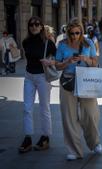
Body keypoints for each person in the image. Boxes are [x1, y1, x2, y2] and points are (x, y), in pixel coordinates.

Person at [55, 18, 102, 161]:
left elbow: (95, 63)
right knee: (69, 117)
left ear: (82, 31)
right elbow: (57, 66)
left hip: (86, 81)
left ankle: (94, 142)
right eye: (72, 33)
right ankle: (74, 150)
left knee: (90, 114)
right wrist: (67, 62)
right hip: (68, 82)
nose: (75, 36)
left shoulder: (88, 43)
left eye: (78, 33)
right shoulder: (62, 45)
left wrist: (86, 59)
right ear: (68, 32)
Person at [19, 16, 56, 153]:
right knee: (27, 108)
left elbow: (58, 60)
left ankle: (45, 137)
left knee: (44, 107)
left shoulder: (48, 43)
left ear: (41, 26)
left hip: (42, 77)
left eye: (37, 24)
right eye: (31, 24)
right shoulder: (25, 42)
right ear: (29, 27)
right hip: (28, 76)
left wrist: (50, 62)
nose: (34, 26)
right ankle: (28, 138)